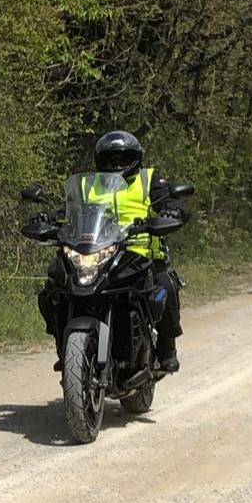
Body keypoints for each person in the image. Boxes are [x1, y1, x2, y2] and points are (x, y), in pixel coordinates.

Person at [37, 130, 192, 373]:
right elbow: (71, 210)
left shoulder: (148, 179)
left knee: (166, 286)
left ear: (136, 158)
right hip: (98, 250)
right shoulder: (89, 184)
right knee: (53, 288)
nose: (117, 164)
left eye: (123, 158)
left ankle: (166, 348)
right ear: (99, 161)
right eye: (111, 159)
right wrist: (52, 218)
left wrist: (172, 211)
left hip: (140, 252)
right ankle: (65, 348)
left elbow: (170, 202)